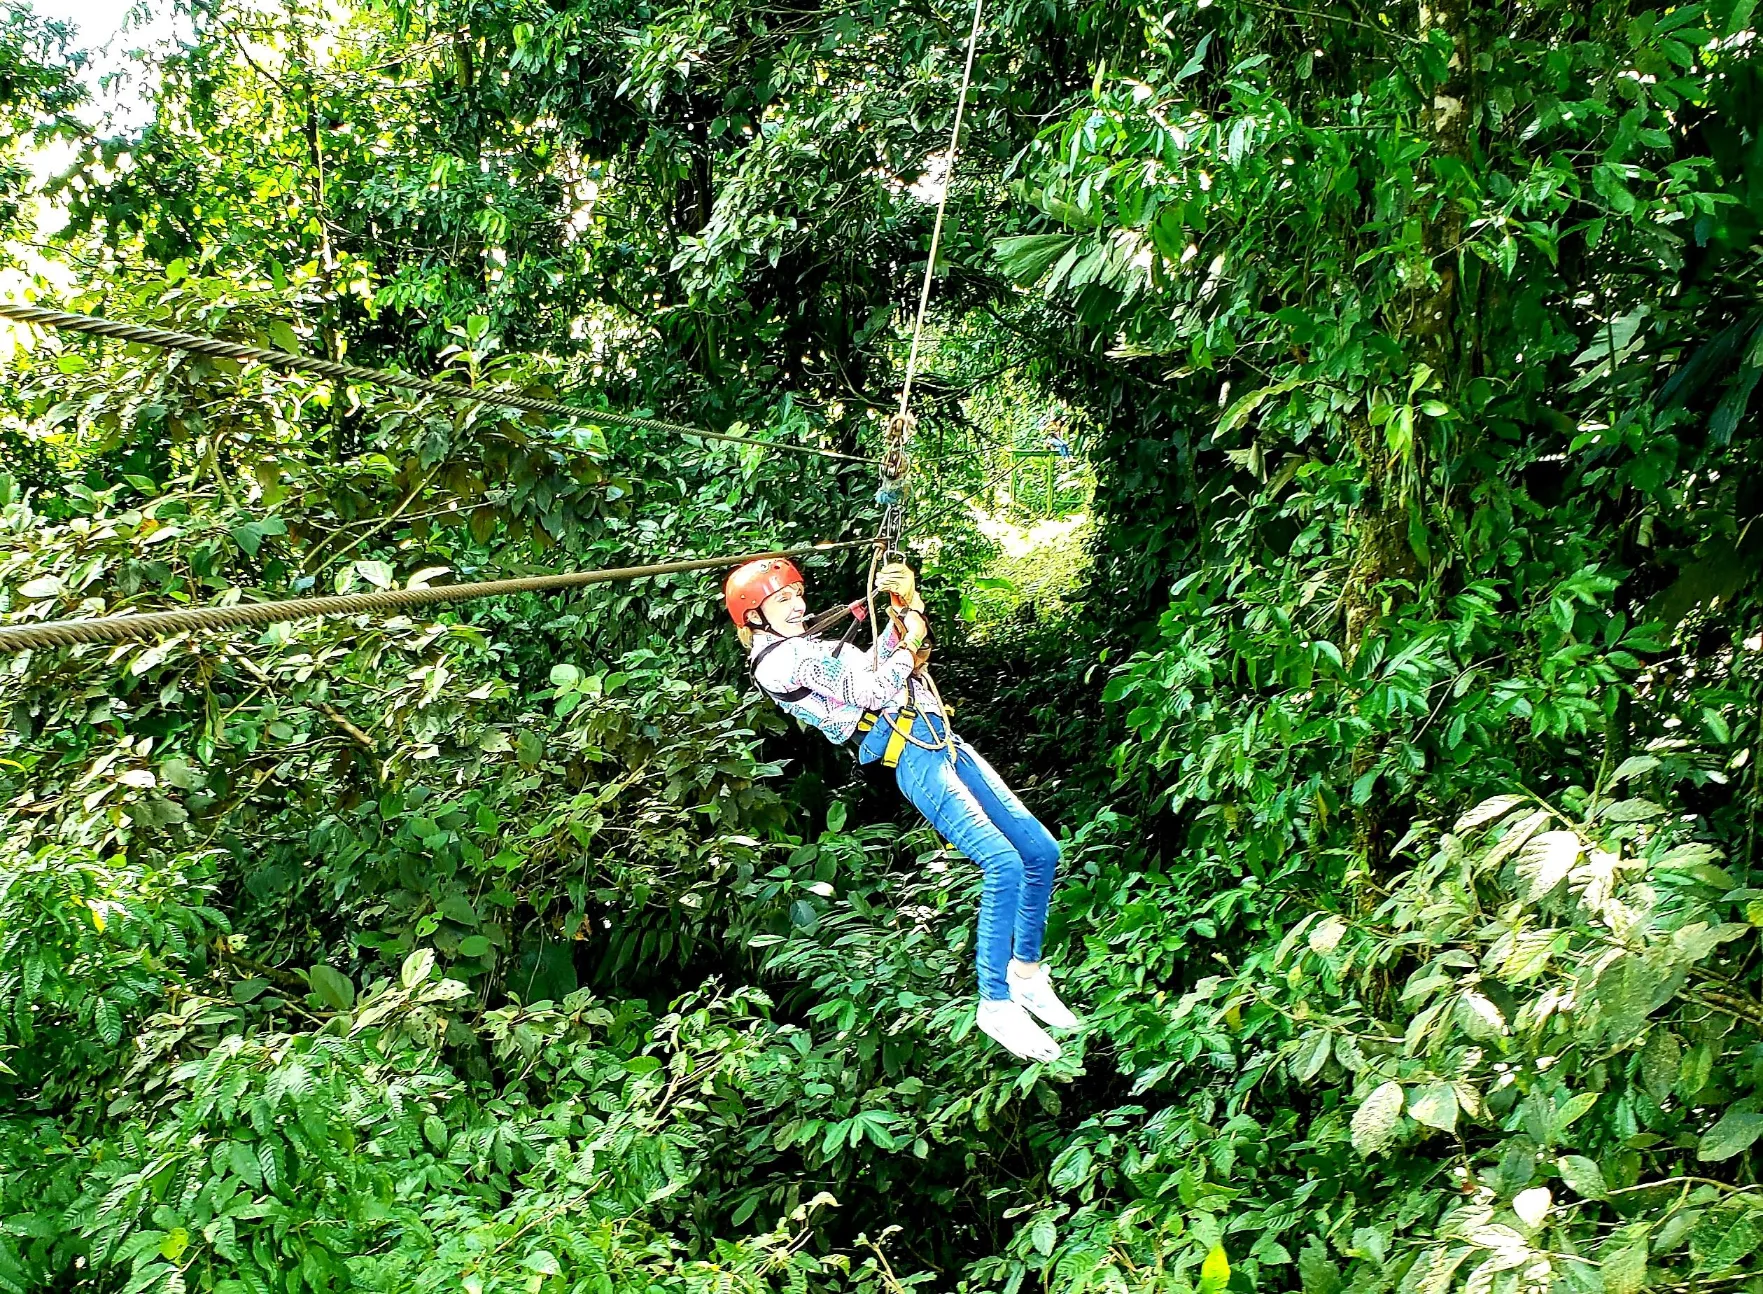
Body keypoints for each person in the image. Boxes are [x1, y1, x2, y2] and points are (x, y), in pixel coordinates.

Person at [723, 555, 1080, 1063]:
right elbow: (872, 688)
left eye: (797, 594)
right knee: (1002, 863)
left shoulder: (810, 645)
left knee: (1041, 852)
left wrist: (904, 606)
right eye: (782, 600)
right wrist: (910, 638)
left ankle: (1024, 975)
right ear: (755, 617)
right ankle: (995, 1003)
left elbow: (885, 660)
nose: (797, 605)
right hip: (910, 752)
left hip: (939, 736)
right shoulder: (779, 662)